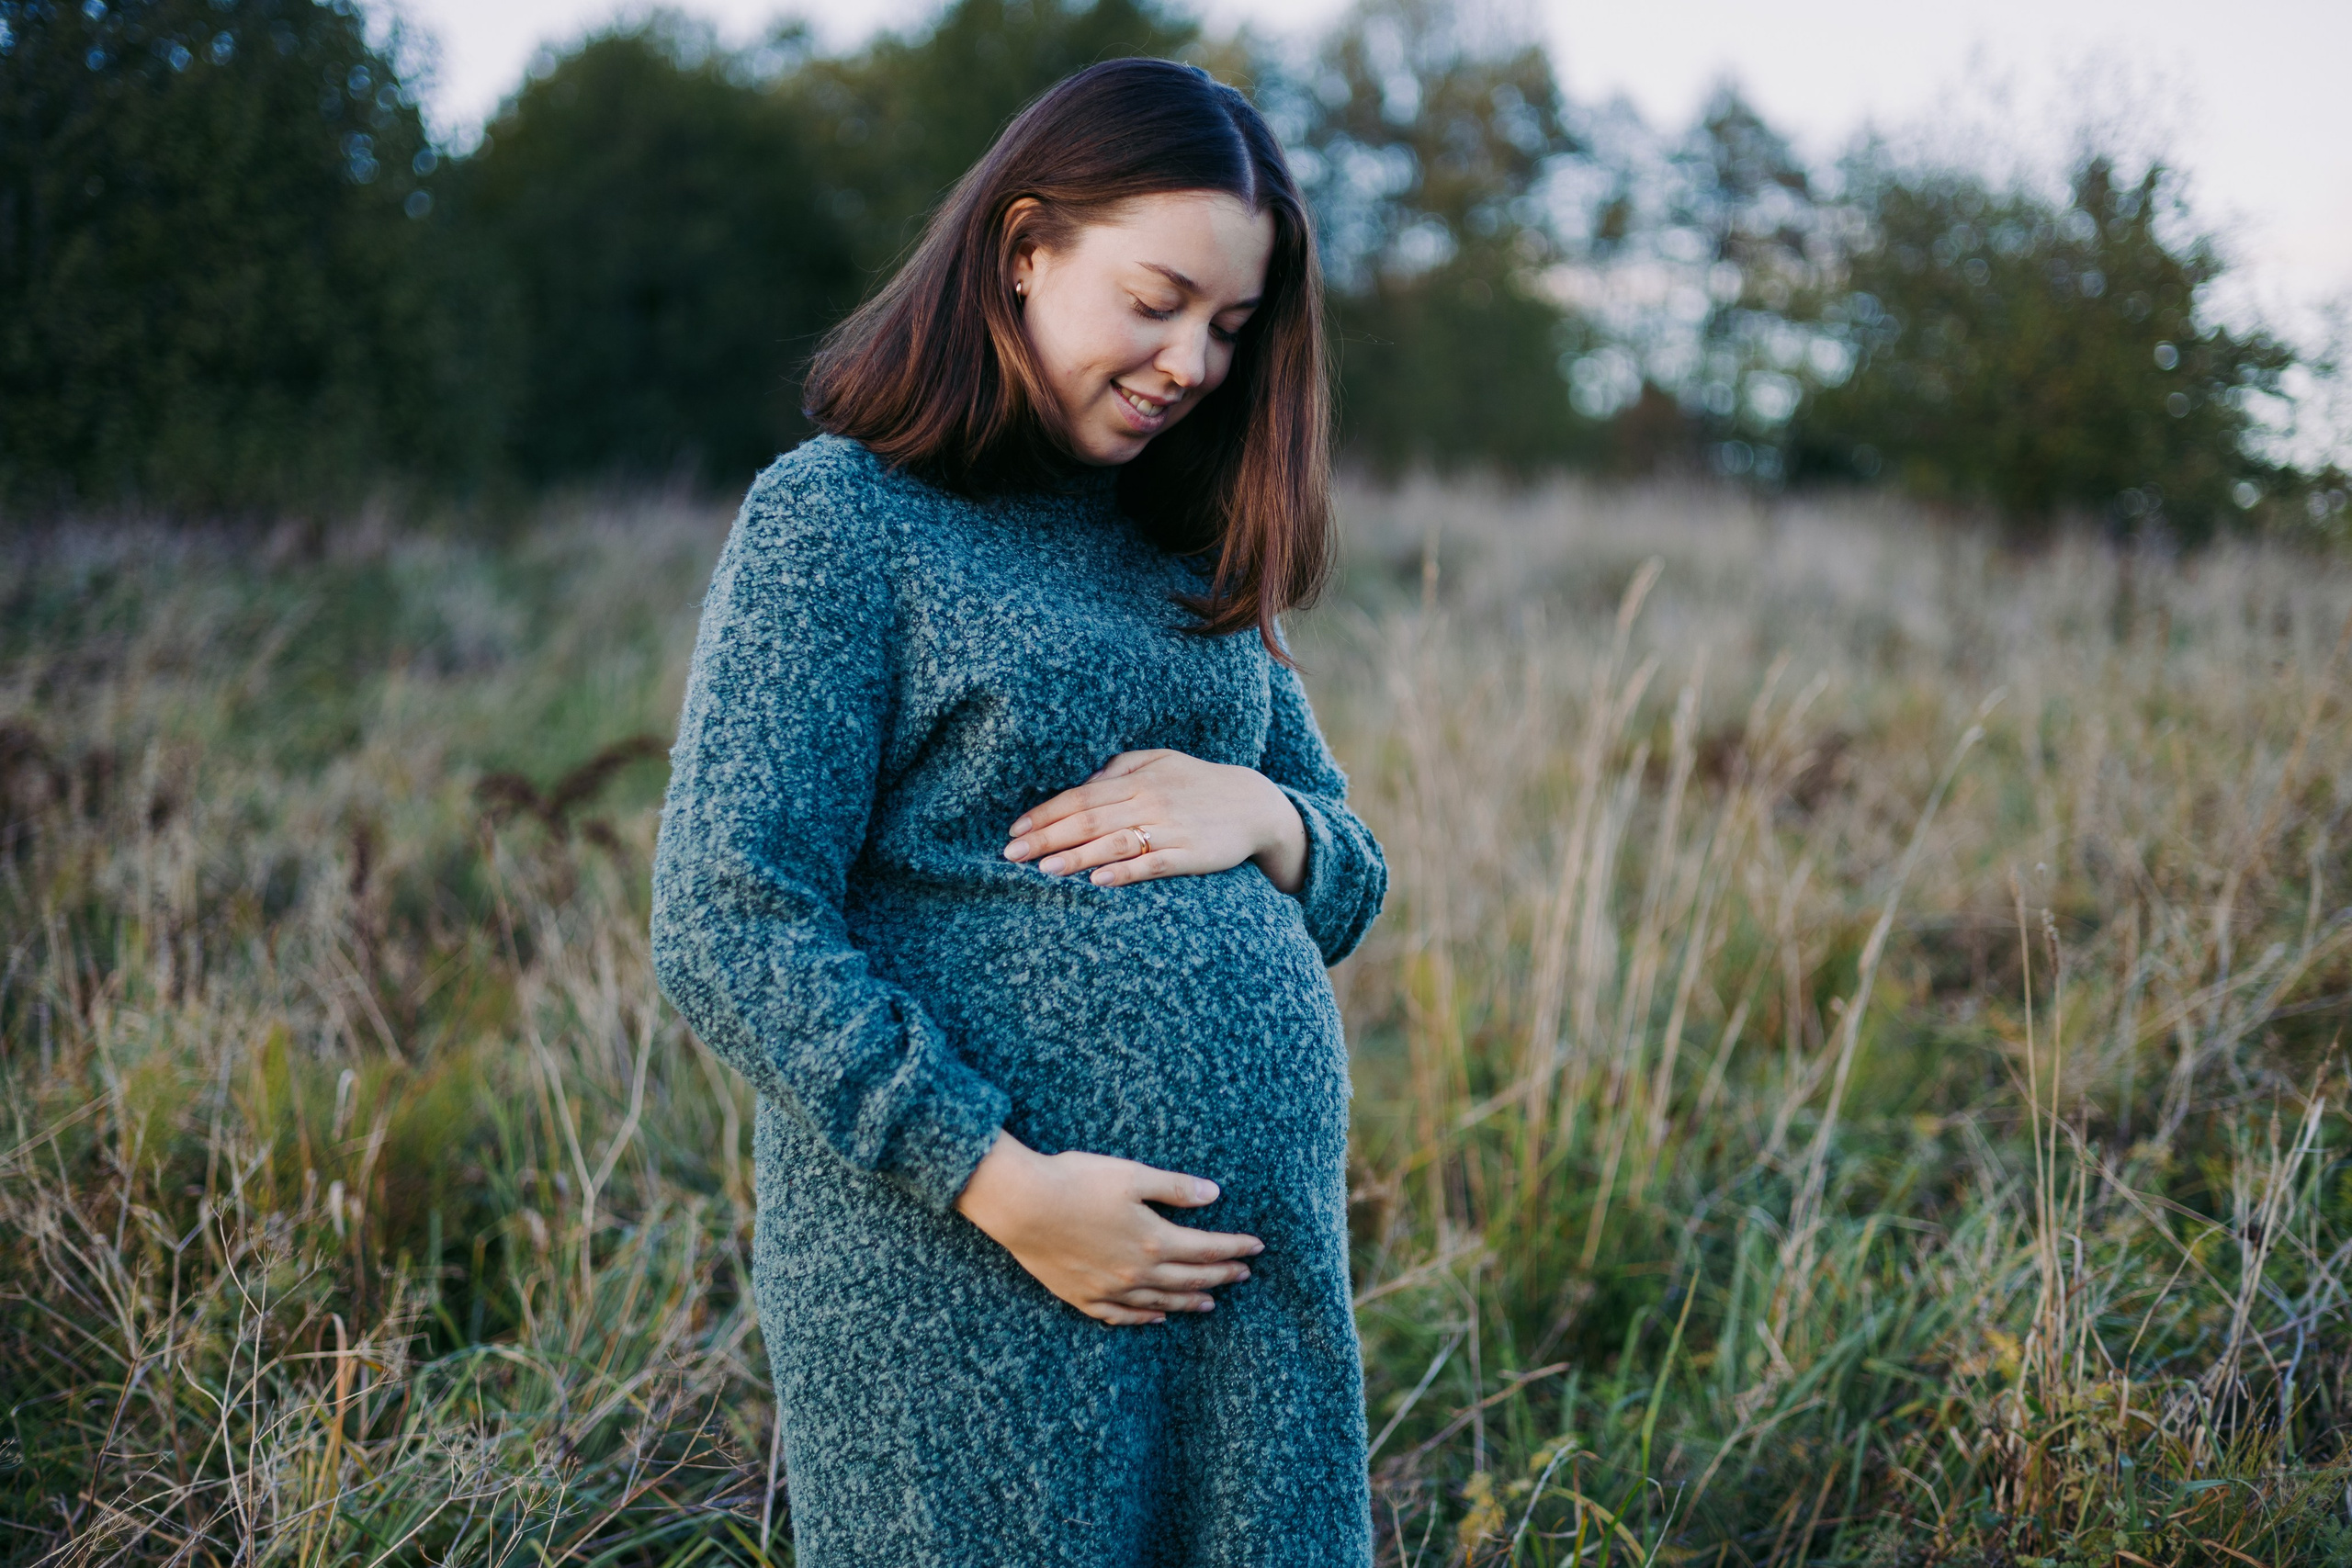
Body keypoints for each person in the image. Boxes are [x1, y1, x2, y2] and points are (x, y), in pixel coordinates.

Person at [650, 55, 1388, 1567]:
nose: (1192, 361)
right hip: (972, 1267)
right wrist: (1004, 1184)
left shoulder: (1187, 544)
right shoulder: (841, 520)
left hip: (1247, 1297)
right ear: (1027, 247)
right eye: (1157, 298)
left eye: (1230, 330)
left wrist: (1265, 812)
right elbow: (727, 917)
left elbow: (1347, 875)